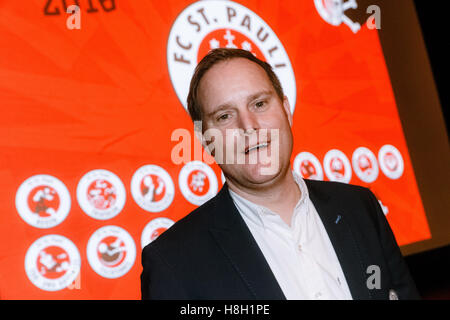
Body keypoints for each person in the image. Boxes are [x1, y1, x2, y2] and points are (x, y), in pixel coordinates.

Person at [140, 48, 420, 300]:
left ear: (286, 110)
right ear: (205, 140)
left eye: (259, 104)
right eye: (225, 116)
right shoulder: (173, 263)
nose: (248, 126)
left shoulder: (360, 208)